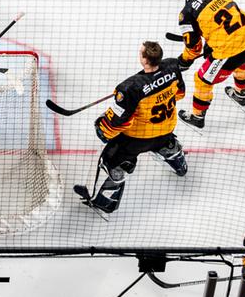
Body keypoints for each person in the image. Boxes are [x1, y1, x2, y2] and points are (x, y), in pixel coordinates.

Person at [73, 41, 188, 214]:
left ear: (144, 59)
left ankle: (106, 202)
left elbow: (119, 122)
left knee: (110, 160)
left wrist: (102, 127)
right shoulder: (172, 67)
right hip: (166, 128)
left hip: (137, 140)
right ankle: (177, 162)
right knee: (165, 142)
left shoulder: (129, 88)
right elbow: (179, 94)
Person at [173, 0, 245, 129]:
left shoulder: (186, 14)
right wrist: (210, 43)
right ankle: (240, 94)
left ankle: (197, 117)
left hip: (230, 51)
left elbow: (194, 48)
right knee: (241, 66)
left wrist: (183, 61)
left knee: (202, 79)